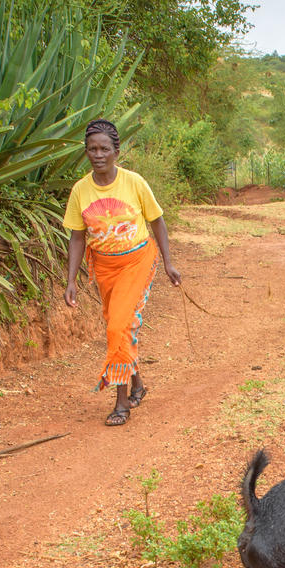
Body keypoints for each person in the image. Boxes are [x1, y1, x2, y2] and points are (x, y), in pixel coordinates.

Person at [63, 119, 181, 426]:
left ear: (117, 151)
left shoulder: (134, 183)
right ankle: (138, 383)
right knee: (120, 327)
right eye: (92, 149)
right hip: (103, 267)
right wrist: (71, 280)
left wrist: (168, 263)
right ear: (85, 151)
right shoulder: (80, 191)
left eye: (104, 148)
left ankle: (121, 404)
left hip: (137, 262)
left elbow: (157, 222)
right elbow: (77, 237)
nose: (98, 154)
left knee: (118, 328)